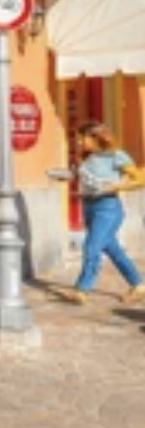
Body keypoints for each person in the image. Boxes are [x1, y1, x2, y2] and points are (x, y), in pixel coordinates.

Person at [66, 121, 145, 305]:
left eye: (82, 138)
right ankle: (138, 285)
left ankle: (82, 289)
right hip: (89, 206)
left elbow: (140, 179)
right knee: (113, 249)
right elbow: (90, 180)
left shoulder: (116, 156)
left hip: (107, 208)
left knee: (91, 246)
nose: (79, 142)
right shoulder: (87, 158)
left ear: (95, 137)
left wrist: (116, 187)